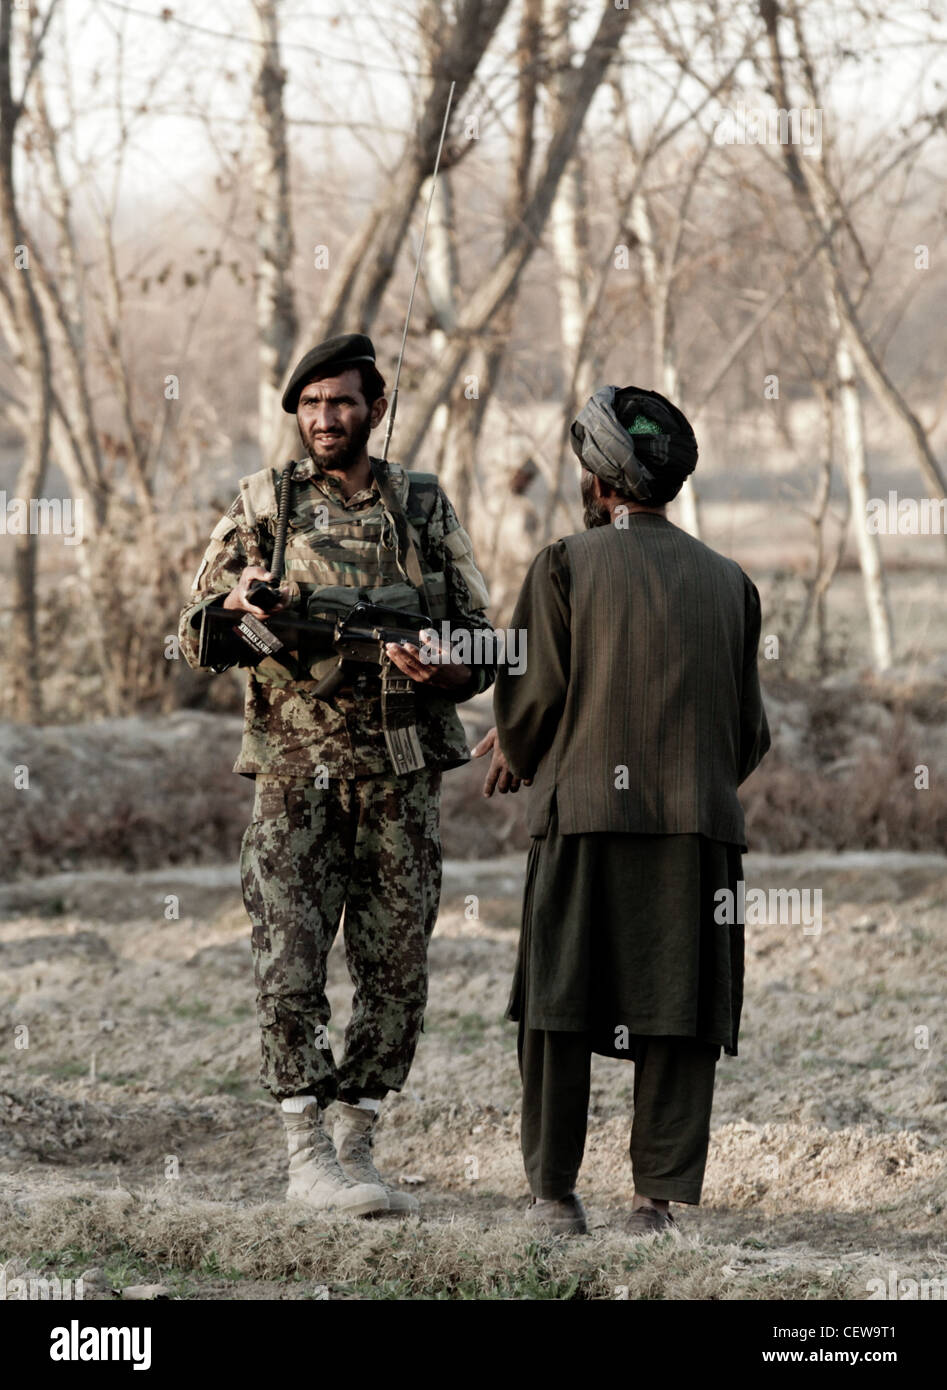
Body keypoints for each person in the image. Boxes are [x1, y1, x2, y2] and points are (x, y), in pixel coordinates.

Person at [179, 333, 495, 1217]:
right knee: (287, 959)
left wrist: (446, 668)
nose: (326, 418)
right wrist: (239, 606)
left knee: (396, 965)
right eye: (312, 404)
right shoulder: (262, 505)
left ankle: (358, 1139)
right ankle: (305, 1150)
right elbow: (193, 633)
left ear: (375, 407)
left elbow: (480, 634)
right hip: (294, 772)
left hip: (400, 772)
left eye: (343, 402)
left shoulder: (421, 506)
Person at [473, 385, 770, 1236]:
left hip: (584, 825)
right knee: (680, 1017)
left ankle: (552, 1199)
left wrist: (521, 751)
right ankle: (654, 1203)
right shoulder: (732, 584)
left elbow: (531, 696)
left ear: (600, 483)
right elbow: (746, 734)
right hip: (697, 832)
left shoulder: (564, 564)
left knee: (557, 1007)